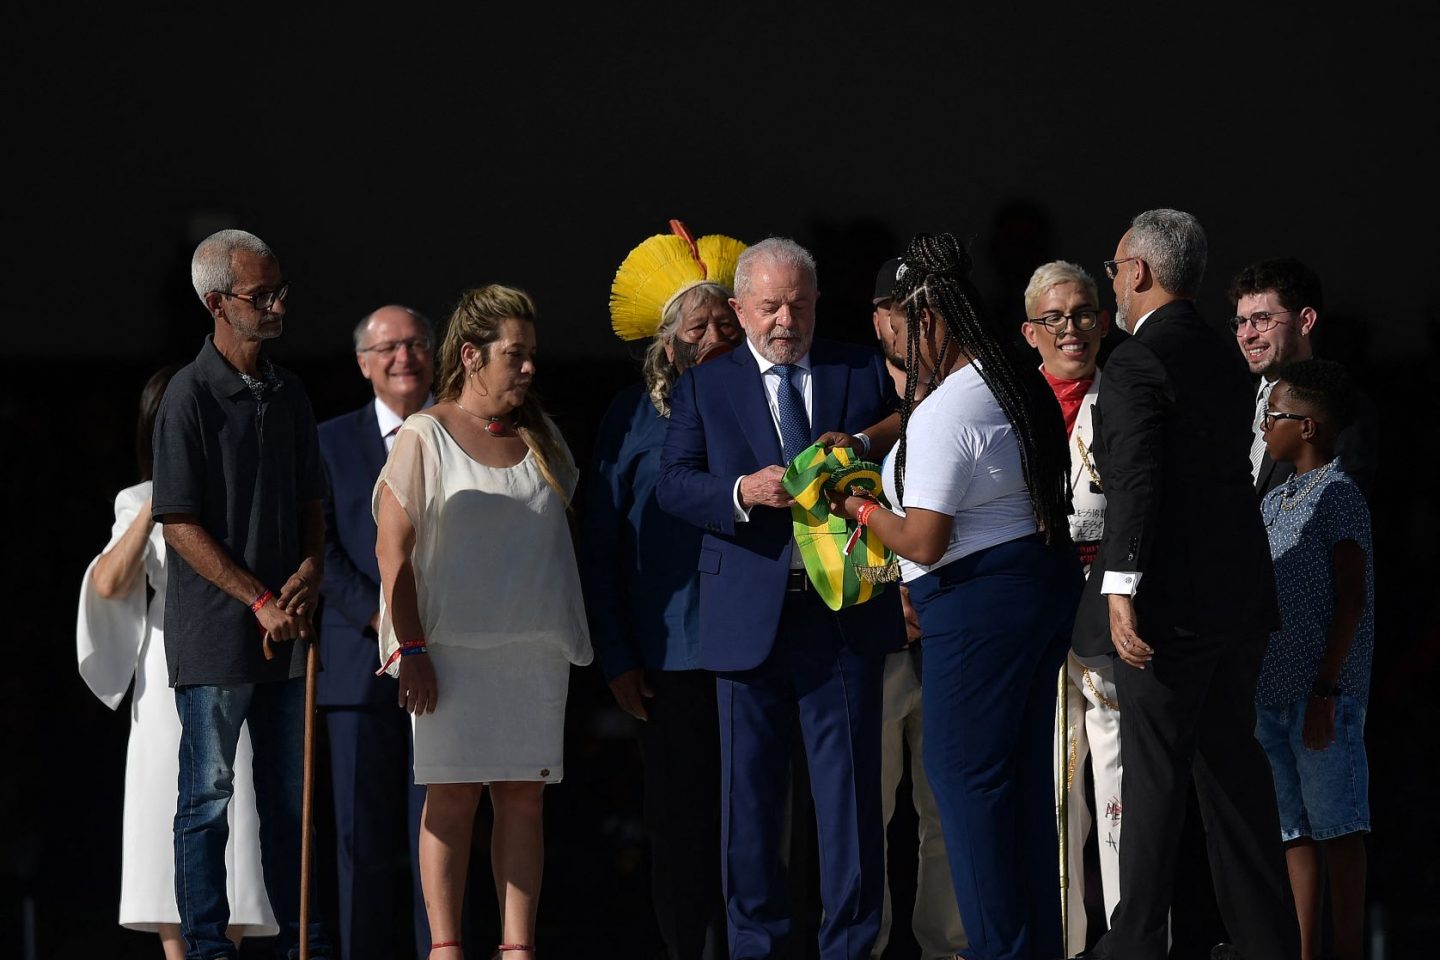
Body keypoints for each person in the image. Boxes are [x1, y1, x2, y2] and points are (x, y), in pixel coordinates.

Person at [830, 233, 1081, 960]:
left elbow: (922, 541)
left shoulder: (950, 411)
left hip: (977, 608)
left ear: (926, 319)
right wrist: (867, 440)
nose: (894, 349)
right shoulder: (1010, 379)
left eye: (895, 331)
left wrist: (858, 507)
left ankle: (999, 949)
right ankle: (1033, 946)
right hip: (1035, 589)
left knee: (964, 780)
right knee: (1019, 785)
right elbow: (926, 424)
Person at [657, 237, 903, 960]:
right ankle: (755, 946)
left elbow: (912, 433)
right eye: (769, 308)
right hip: (748, 614)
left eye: (798, 305)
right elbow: (673, 484)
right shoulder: (706, 385)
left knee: (850, 799)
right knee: (750, 802)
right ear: (740, 309)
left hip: (843, 612)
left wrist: (861, 442)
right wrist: (741, 491)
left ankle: (849, 947)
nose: (785, 321)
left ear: (818, 302)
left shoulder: (858, 367)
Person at [1073, 209, 1297, 960]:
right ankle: (1268, 942)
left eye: (1114, 270)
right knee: (1233, 773)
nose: (1113, 282)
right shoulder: (1224, 357)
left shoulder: (1137, 361)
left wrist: (1119, 587)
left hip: (1168, 605)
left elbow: (1136, 483)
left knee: (1154, 779)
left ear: (1138, 272)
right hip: (1236, 596)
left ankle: (1135, 943)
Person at [373, 284, 593, 960]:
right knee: (453, 797)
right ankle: (446, 948)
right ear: (471, 355)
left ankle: (516, 949)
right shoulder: (425, 434)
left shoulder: (543, 436)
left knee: (525, 797)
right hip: (448, 653)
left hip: (533, 651)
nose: (528, 367)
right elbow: (392, 550)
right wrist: (411, 649)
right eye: (514, 355)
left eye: (531, 354)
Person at [151, 228, 330, 959]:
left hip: (287, 631)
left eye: (282, 290)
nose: (279, 306)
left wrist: (311, 568)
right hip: (219, 636)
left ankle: (303, 944)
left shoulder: (290, 392)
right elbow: (177, 523)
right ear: (217, 303)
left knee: (292, 802)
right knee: (208, 801)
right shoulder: (188, 395)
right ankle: (207, 948)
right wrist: (259, 599)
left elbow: (314, 503)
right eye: (263, 296)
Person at [581, 223, 747, 960]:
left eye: (725, 322)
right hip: (668, 653)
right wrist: (616, 655)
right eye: (697, 325)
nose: (714, 336)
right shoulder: (631, 417)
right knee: (680, 822)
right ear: (666, 341)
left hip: (757, 645)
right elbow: (601, 546)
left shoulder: (766, 404)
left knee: (755, 817)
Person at [77, 364, 277, 960]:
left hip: (234, 662)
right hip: (165, 679)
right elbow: (108, 584)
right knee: (167, 808)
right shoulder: (136, 499)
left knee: (236, 815)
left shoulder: (246, 489)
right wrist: (161, 498)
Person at [317, 305, 435, 960]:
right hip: (359, 664)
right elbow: (318, 545)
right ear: (364, 363)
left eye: (415, 344)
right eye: (388, 347)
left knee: (438, 838)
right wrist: (380, 615)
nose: (403, 357)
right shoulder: (330, 441)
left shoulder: (467, 432)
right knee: (359, 841)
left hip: (448, 662)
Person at [1254, 359, 1373, 960]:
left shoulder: (1339, 494)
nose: (1264, 425)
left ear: (1306, 427)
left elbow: (1351, 599)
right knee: (1292, 829)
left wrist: (1326, 691)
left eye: (1272, 415)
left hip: (1320, 695)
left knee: (1338, 828)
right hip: (1270, 693)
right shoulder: (1274, 499)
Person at [867, 257, 967, 960]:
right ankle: (864, 946)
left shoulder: (969, 390)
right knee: (866, 813)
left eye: (930, 313)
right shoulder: (856, 395)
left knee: (946, 813)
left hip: (949, 633)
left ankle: (949, 948)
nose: (922, 327)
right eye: (907, 314)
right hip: (878, 638)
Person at [1019, 260, 1120, 953]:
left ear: (1104, 322)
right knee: (1056, 799)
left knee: (1123, 796)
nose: (1071, 329)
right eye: (1053, 318)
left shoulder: (1129, 398)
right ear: (1030, 332)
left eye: (1083, 314)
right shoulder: (1006, 404)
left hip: (1114, 615)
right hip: (1036, 618)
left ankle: (1133, 943)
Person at [1228, 257, 1378, 499]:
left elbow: (1342, 507)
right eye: (1241, 322)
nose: (1246, 335)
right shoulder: (1230, 404)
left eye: (1262, 319)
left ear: (1305, 321)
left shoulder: (1342, 409)